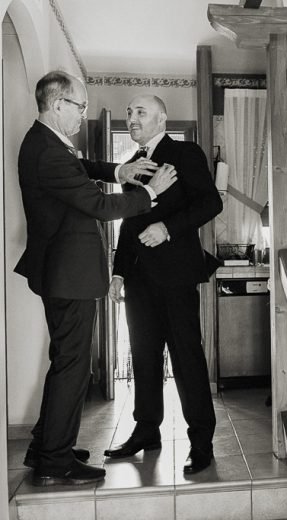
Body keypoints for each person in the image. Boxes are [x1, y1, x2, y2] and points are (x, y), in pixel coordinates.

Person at [15, 70, 177, 486]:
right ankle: (55, 462)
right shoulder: (48, 151)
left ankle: (45, 446)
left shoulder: (46, 142)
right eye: (80, 106)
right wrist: (150, 192)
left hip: (61, 274)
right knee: (72, 368)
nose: (82, 114)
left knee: (65, 362)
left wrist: (120, 171)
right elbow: (100, 207)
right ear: (58, 105)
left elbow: (82, 167)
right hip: (69, 276)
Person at [103, 94, 223, 475]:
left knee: (187, 359)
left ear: (162, 118)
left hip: (176, 277)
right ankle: (146, 431)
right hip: (139, 280)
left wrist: (167, 228)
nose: (132, 118)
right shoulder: (130, 166)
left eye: (140, 112)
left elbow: (211, 203)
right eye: (129, 112)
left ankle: (201, 442)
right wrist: (119, 272)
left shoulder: (185, 153)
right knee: (143, 357)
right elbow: (128, 223)